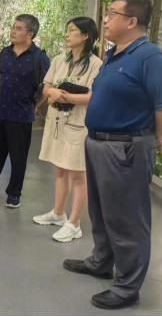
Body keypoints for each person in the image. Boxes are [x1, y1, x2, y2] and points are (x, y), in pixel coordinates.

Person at [63, 0, 162, 310]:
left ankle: (127, 287)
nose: (105, 19)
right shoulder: (113, 55)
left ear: (132, 21)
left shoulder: (150, 57)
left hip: (126, 147)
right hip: (99, 142)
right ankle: (101, 261)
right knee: (101, 212)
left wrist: (155, 139)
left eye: (112, 14)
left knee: (127, 220)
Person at [0, 15, 50, 209]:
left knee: (18, 157)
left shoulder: (39, 57)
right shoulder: (5, 52)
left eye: (19, 28)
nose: (13, 31)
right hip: (0, 111)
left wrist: (35, 105)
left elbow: (48, 87)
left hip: (21, 116)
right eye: (13, 27)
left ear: (30, 34)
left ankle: (14, 193)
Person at [33, 18, 103, 243]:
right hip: (57, 123)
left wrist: (64, 96)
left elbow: (94, 97)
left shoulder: (95, 64)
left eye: (72, 30)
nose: (67, 34)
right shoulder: (59, 60)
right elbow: (47, 86)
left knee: (78, 176)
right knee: (60, 171)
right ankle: (58, 213)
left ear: (85, 35)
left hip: (78, 125)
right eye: (67, 30)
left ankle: (74, 224)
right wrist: (51, 93)